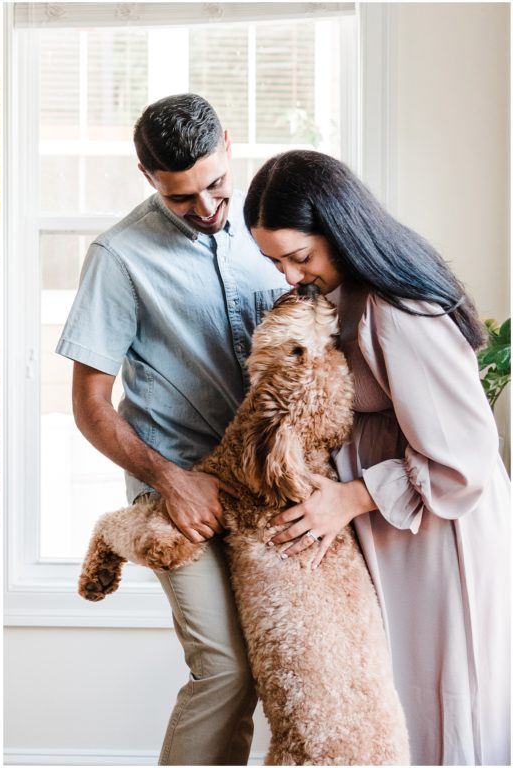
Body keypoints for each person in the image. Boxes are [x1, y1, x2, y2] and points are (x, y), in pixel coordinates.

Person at [244, 149, 511, 766]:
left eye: (298, 256)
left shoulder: (394, 311)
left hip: (442, 531)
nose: (287, 275)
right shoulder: (347, 297)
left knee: (440, 703)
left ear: (339, 229)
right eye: (274, 261)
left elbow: (463, 459)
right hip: (398, 529)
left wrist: (350, 496)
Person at [57, 93, 286, 764]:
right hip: (178, 495)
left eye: (216, 184)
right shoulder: (118, 256)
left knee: (287, 670)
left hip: (274, 493)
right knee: (225, 671)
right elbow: (90, 407)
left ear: (230, 144)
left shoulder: (273, 225)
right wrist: (170, 480)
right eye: (183, 197)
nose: (210, 208)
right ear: (145, 175)